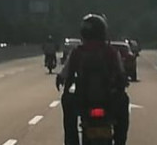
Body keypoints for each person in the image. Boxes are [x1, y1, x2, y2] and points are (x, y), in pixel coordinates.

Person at [56, 13, 130, 145]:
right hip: (108, 101)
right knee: (124, 104)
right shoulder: (110, 52)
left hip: (83, 101)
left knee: (68, 112)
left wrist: (62, 81)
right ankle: (120, 141)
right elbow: (121, 74)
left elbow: (64, 74)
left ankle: (72, 141)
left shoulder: (78, 52)